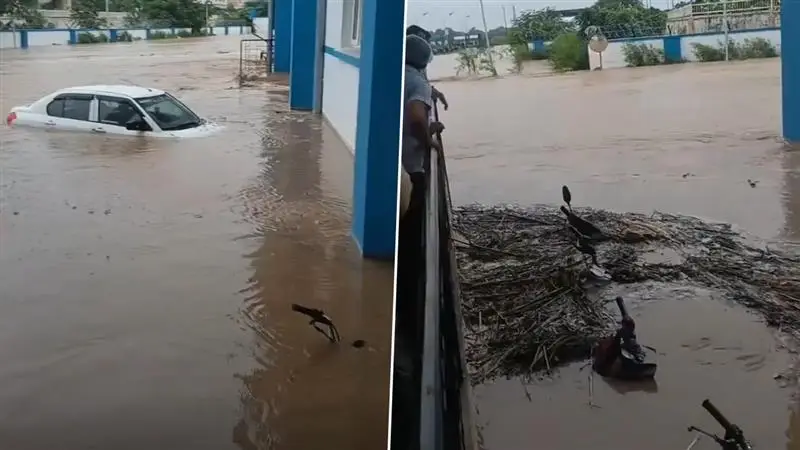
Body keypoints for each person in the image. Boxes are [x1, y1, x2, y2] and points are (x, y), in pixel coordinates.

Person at [405, 25, 448, 111]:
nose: (428, 47)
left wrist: (431, 91)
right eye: (425, 43)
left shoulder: (416, 66)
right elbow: (416, 118)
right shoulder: (414, 71)